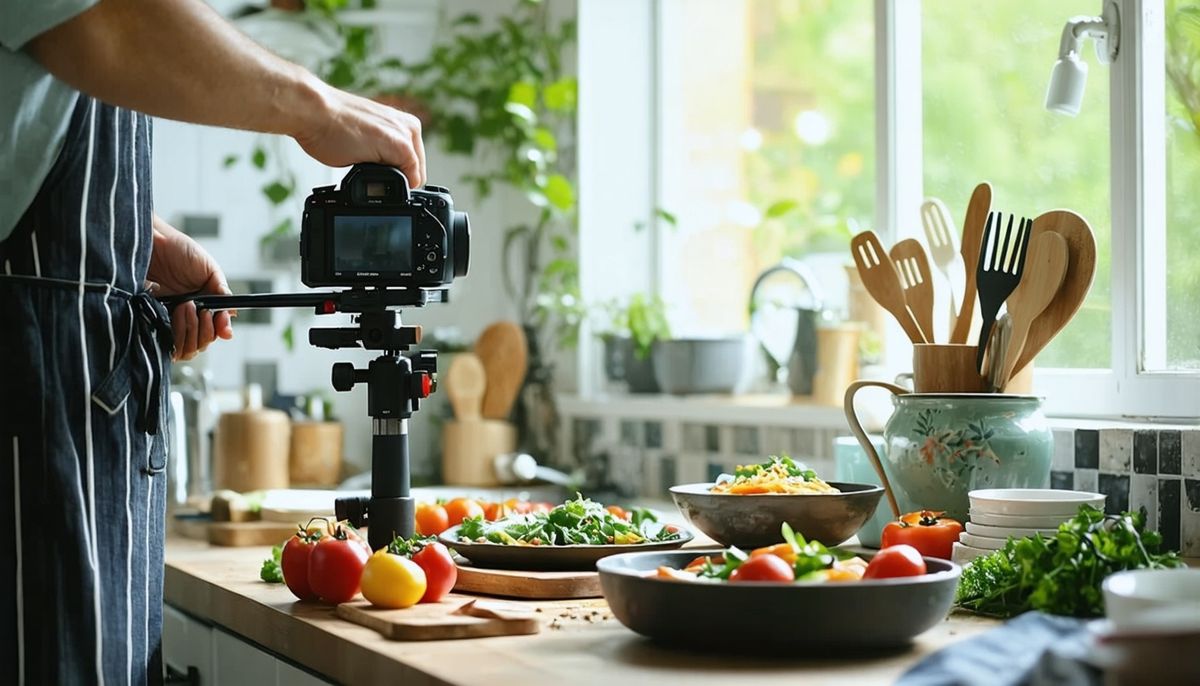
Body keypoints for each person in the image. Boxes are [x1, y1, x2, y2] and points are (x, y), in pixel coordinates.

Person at [0, 1, 427, 683]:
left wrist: (135, 237)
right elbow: (101, 20)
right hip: (34, 393)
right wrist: (318, 107)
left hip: (76, 404)